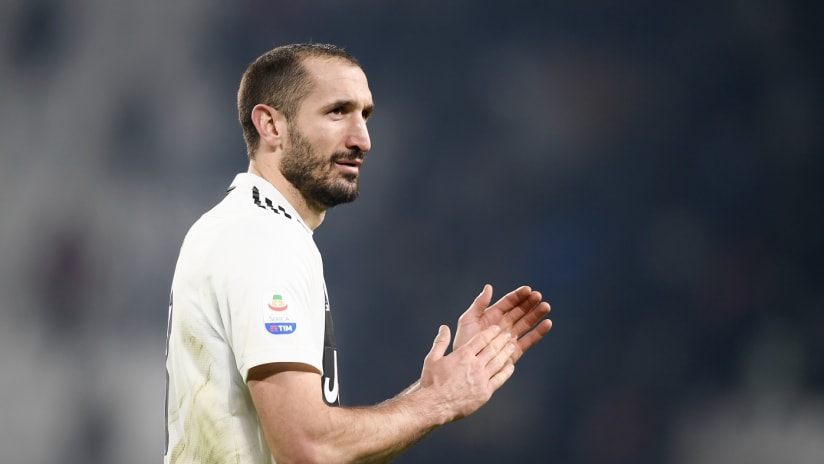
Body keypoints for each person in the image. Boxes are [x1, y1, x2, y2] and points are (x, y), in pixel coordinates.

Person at [164, 43, 553, 464]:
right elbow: (306, 447)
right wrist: (438, 401)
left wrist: (435, 387)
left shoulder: (247, 226)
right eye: (337, 112)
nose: (362, 140)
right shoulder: (264, 239)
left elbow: (322, 445)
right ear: (271, 126)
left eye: (365, 115)